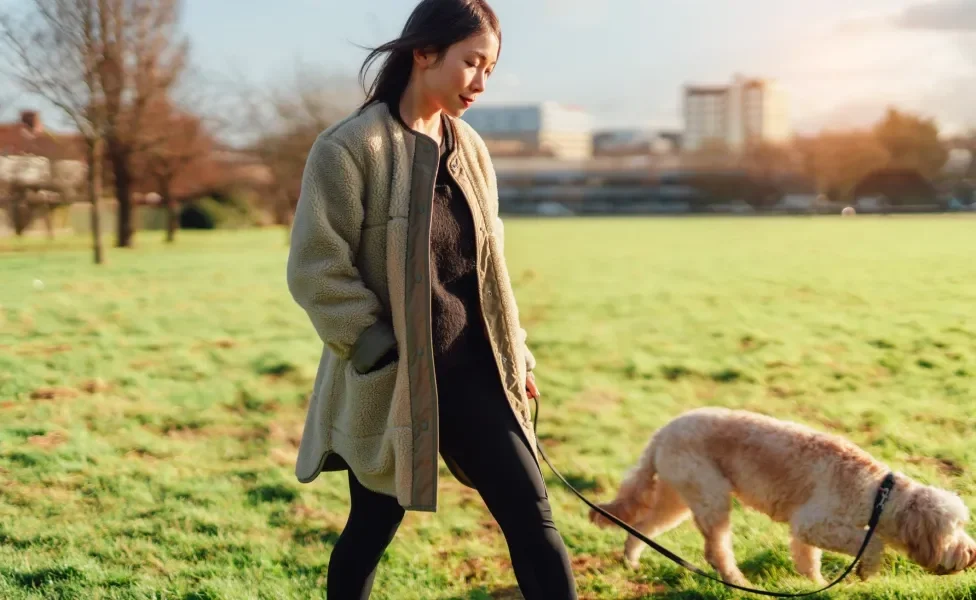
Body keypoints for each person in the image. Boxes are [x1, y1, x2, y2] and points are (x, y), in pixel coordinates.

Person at [285, 0, 579, 598]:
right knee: (371, 526)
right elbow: (316, 267)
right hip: (393, 380)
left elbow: (491, 268)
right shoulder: (348, 148)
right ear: (423, 52)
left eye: (491, 70)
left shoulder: (470, 147)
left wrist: (515, 355)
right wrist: (377, 347)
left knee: (533, 518)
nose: (481, 81)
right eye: (472, 62)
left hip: (476, 374)